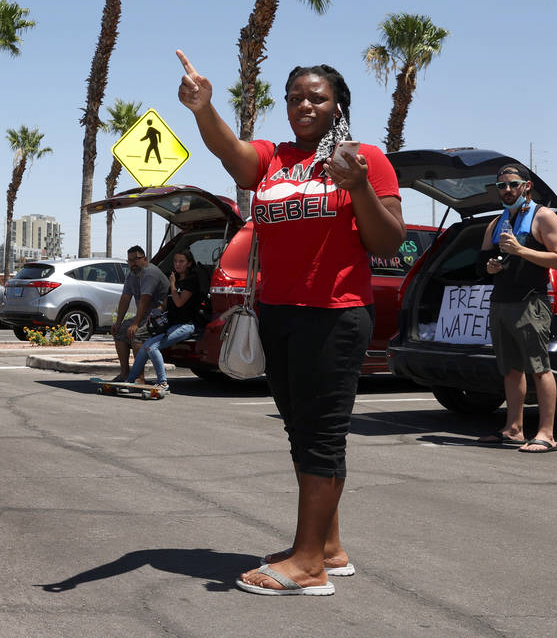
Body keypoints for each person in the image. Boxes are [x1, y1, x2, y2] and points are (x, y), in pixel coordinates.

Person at [177, 52, 404, 596]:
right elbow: (230, 154)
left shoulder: (366, 158)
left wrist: (360, 187)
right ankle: (328, 546)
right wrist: (204, 108)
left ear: (338, 106)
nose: (304, 105)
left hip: (336, 314)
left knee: (322, 435)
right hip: (277, 313)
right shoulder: (272, 158)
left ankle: (308, 567)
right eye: (296, 97)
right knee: (303, 431)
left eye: (316, 97)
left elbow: (389, 241)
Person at [476, 163, 557, 453]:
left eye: (513, 184)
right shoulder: (496, 222)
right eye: (501, 185)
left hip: (531, 303)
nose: (506, 190)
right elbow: (482, 265)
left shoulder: (544, 217)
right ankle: (513, 429)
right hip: (501, 303)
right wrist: (490, 267)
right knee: (511, 370)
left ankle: (546, 434)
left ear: (526, 186)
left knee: (540, 368)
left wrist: (520, 250)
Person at [122, 250, 204, 391]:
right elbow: (165, 303)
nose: (177, 265)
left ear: (189, 263)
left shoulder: (191, 281)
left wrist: (172, 285)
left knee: (152, 347)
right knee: (145, 346)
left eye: (181, 261)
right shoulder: (175, 279)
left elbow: (179, 302)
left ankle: (163, 383)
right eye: (175, 261)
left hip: (186, 325)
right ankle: (130, 380)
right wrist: (156, 312)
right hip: (171, 324)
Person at [111, 246, 169, 383]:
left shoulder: (149, 273)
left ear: (145, 259)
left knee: (136, 334)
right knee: (120, 332)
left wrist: (136, 324)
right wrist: (118, 323)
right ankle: (125, 373)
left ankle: (139, 377)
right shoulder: (132, 275)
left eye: (136, 259)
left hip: (161, 317)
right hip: (145, 317)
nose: (132, 263)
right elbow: (125, 298)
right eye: (130, 260)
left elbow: (145, 299)